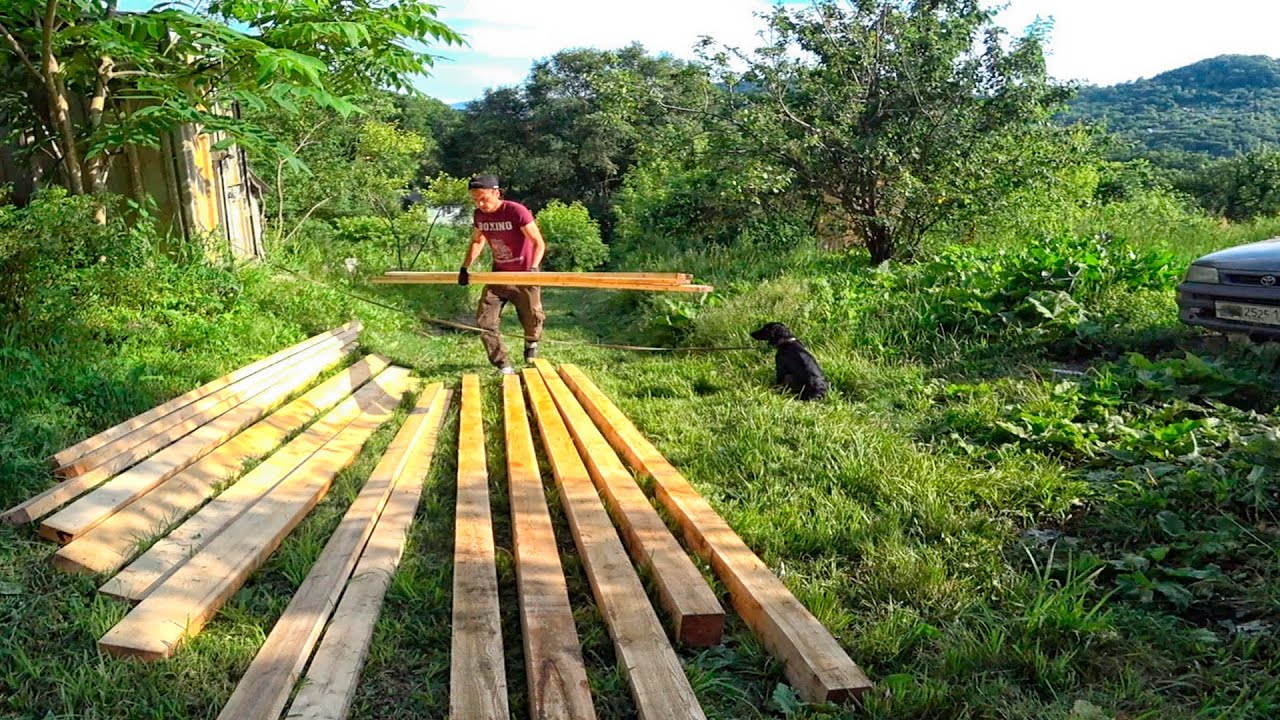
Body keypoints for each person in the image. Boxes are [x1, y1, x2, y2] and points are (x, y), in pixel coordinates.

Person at [458, 174, 547, 374]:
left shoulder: (516, 211)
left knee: (533, 319)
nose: (480, 204)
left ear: (496, 193)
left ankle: (531, 344)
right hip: (498, 276)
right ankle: (503, 365)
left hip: (525, 275)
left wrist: (533, 269)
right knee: (484, 322)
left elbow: (538, 243)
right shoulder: (479, 215)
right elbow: (477, 241)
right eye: (475, 200)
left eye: (484, 199)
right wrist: (464, 268)